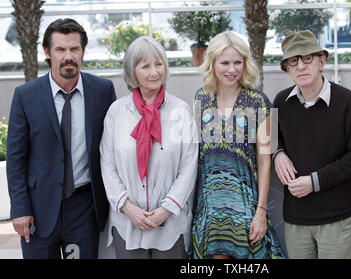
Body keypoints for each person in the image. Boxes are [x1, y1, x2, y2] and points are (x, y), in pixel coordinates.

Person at [6, 18, 116, 259]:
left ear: (83, 51)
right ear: (47, 52)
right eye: (60, 49)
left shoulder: (103, 91)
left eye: (74, 49)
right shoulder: (26, 96)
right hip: (38, 209)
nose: (68, 56)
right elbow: (16, 158)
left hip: (84, 208)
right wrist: (20, 209)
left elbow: (113, 148)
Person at [99, 36, 198, 259]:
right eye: (145, 66)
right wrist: (127, 207)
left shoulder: (180, 111)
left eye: (159, 64)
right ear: (132, 72)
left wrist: (165, 210)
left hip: (170, 223)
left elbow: (189, 167)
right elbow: (107, 163)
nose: (154, 72)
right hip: (127, 223)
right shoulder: (116, 112)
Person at [273, 30, 351, 259]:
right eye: (293, 61)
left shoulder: (347, 101)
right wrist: (278, 153)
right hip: (296, 217)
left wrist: (315, 182)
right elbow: (271, 140)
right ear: (287, 67)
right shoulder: (280, 102)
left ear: (321, 61)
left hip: (338, 217)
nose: (301, 66)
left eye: (307, 58)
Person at [190, 31, 285, 259]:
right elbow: (195, 155)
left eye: (237, 62)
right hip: (209, 208)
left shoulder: (259, 101)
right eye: (224, 62)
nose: (231, 69)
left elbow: (264, 161)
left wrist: (261, 212)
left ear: (245, 64)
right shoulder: (200, 99)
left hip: (245, 206)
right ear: (212, 63)